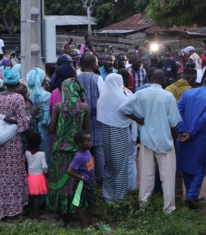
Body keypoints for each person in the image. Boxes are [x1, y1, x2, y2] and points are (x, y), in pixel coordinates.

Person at [119, 70, 182, 214]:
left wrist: (137, 119)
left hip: (147, 140)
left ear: (151, 79)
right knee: (167, 178)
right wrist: (174, 143)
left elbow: (123, 108)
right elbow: (173, 124)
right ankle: (169, 209)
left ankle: (143, 206)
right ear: (164, 80)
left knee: (146, 175)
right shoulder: (168, 96)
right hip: (165, 141)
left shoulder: (141, 93)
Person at [0, 67, 30, 221]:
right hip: (12, 142)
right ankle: (12, 209)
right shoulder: (18, 98)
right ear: (17, 84)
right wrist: (32, 116)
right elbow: (22, 124)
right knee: (12, 174)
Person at [48, 78, 90, 220]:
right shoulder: (84, 108)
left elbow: (51, 129)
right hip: (77, 150)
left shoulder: (59, 107)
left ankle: (61, 210)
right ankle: (75, 209)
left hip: (60, 150)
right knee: (75, 182)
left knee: (60, 182)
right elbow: (86, 131)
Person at [176, 76, 206, 209]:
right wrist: (192, 133)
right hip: (198, 136)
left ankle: (191, 195)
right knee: (199, 167)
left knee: (187, 167)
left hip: (182, 135)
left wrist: (183, 130)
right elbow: (204, 118)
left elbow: (177, 111)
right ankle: (192, 195)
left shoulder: (187, 93)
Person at [97, 73, 132, 203]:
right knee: (121, 165)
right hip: (120, 134)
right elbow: (131, 113)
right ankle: (119, 197)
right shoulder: (121, 99)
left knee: (109, 165)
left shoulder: (102, 98)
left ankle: (108, 194)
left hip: (106, 135)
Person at [76, 54, 105, 184]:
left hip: (80, 118)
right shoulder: (98, 78)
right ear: (94, 65)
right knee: (99, 149)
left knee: (82, 148)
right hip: (96, 119)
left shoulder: (76, 78)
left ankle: (83, 177)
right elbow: (103, 98)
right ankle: (100, 179)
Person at [66, 131, 98, 229]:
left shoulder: (88, 151)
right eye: (88, 141)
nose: (90, 143)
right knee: (79, 204)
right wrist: (82, 177)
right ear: (80, 144)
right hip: (82, 184)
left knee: (92, 202)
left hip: (90, 183)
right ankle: (84, 225)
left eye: (90, 140)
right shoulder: (78, 157)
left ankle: (90, 221)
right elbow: (69, 171)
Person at [26, 67, 51, 165]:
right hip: (43, 129)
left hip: (29, 129)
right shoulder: (47, 95)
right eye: (44, 78)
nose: (46, 80)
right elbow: (47, 118)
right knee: (44, 155)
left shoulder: (26, 94)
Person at [25, 130, 48, 221]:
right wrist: (45, 172)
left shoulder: (27, 153)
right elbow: (45, 166)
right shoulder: (41, 154)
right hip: (39, 178)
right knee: (37, 198)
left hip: (30, 177)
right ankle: (36, 216)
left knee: (31, 198)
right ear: (39, 142)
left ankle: (29, 213)